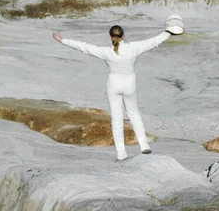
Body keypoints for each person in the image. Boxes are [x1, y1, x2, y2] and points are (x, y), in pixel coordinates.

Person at [52, 25, 171, 161]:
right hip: (129, 85)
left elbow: (84, 47)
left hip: (114, 85)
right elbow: (153, 42)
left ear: (110, 37)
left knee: (116, 119)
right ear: (123, 36)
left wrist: (62, 40)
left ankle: (121, 153)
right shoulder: (133, 48)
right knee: (134, 115)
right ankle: (144, 145)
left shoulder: (107, 52)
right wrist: (169, 32)